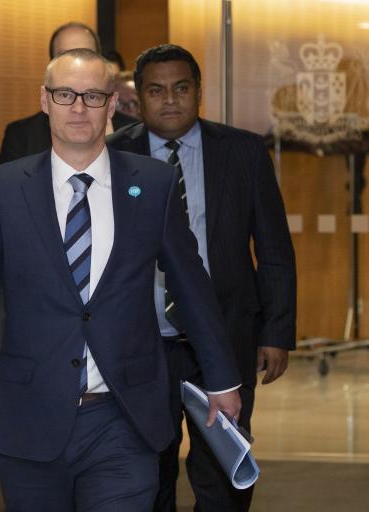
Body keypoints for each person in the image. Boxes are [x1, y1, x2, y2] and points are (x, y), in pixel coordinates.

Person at [0, 48, 242, 511]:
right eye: (65, 94)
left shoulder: (153, 183)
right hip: (30, 416)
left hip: (122, 417)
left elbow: (190, 285)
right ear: (44, 101)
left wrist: (222, 378)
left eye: (92, 95)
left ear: (111, 104)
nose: (79, 107)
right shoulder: (1, 188)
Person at [107, 44, 297, 512]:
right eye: (156, 90)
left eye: (181, 88)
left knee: (223, 470)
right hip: (142, 343)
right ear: (140, 95)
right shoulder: (112, 154)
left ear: (198, 93)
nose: (169, 99)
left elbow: (273, 248)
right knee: (150, 469)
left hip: (227, 335)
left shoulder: (243, 152)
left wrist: (276, 332)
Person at [0, 22, 136, 163]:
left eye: (84, 54)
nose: (75, 64)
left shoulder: (135, 132)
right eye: (65, 55)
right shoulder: (21, 135)